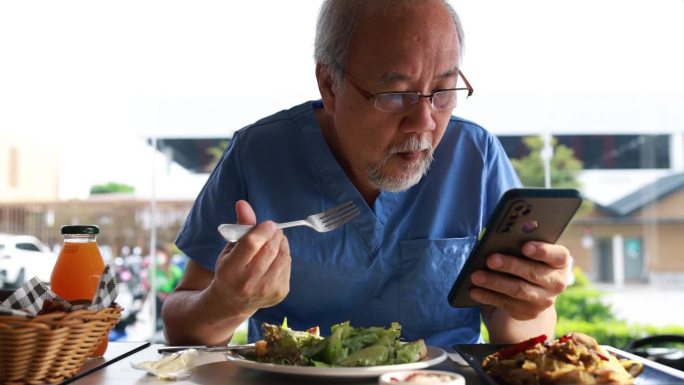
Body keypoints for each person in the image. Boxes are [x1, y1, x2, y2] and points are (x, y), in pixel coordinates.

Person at [162, 0, 572, 348]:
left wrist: (531, 303)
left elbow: (518, 337)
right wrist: (226, 303)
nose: (424, 122)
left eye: (444, 91)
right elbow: (181, 326)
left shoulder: (475, 156)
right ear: (329, 84)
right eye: (396, 95)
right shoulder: (258, 155)